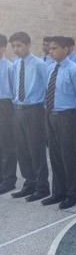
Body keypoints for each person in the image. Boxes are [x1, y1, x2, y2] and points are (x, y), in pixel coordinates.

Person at [40, 36, 76, 209]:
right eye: (50, 48)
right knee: (55, 155)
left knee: (69, 156)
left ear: (66, 49)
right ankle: (58, 192)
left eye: (55, 48)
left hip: (67, 117)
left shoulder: (75, 70)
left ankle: (73, 194)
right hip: (51, 115)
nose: (51, 51)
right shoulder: (50, 68)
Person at [10, 31, 50, 201]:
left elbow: (48, 87)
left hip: (34, 110)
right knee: (22, 149)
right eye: (13, 46)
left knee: (36, 148)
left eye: (19, 45)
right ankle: (30, 182)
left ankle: (42, 186)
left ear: (28, 45)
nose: (16, 49)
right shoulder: (15, 64)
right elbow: (15, 87)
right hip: (18, 110)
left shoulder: (40, 64)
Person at [0, 34, 17, 194]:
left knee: (7, 144)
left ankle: (9, 179)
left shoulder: (10, 67)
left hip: (5, 106)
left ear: (3, 49)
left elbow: (15, 92)